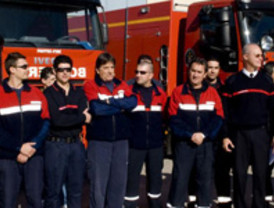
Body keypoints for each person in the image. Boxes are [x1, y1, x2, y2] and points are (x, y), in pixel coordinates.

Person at [167, 57, 224, 208]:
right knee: (180, 179)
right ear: (188, 71)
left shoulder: (212, 93)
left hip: (206, 144)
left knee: (205, 181)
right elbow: (173, 119)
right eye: (193, 71)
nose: (195, 75)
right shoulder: (178, 92)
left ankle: (204, 205)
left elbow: (218, 118)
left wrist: (204, 135)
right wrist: (190, 134)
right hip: (184, 144)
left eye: (199, 72)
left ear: (205, 74)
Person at [222, 43, 274, 208]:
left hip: (261, 134)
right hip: (239, 135)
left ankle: (259, 205)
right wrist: (225, 136)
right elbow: (225, 112)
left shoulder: (267, 82)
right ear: (245, 57)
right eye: (257, 55)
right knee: (239, 174)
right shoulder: (232, 82)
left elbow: (273, 111)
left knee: (260, 174)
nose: (261, 59)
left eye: (261, 56)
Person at [83, 52, 137, 208]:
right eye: (105, 68)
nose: (110, 71)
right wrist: (120, 105)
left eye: (112, 67)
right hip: (99, 141)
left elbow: (132, 102)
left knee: (118, 183)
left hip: (121, 140)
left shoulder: (122, 84)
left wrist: (110, 101)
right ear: (97, 70)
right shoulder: (91, 85)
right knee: (98, 185)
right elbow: (97, 109)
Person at [0, 52, 50, 208]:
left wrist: (32, 146)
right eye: (24, 67)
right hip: (7, 157)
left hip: (34, 156)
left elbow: (46, 121)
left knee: (35, 199)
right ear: (12, 69)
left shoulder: (36, 92)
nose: (28, 69)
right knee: (7, 201)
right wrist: (18, 148)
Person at [43, 55, 91, 208]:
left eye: (68, 70)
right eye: (61, 70)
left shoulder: (79, 92)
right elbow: (57, 120)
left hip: (76, 145)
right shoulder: (48, 93)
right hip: (55, 146)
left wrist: (72, 116)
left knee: (76, 191)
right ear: (54, 71)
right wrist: (80, 117)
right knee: (53, 191)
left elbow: (87, 117)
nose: (65, 73)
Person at [124, 61, 167, 208]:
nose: (137, 75)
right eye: (136, 72)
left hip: (155, 145)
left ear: (151, 75)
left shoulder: (160, 94)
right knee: (131, 182)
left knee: (155, 181)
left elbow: (166, 117)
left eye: (142, 73)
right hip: (134, 145)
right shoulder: (128, 92)